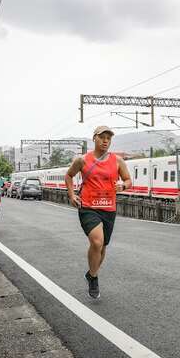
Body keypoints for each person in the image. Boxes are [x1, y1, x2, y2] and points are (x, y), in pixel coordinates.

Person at [65, 126, 132, 299]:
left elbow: (128, 180)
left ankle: (91, 274)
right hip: (88, 207)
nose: (105, 141)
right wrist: (72, 194)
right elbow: (69, 175)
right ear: (94, 138)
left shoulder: (118, 161)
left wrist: (123, 185)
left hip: (109, 208)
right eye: (102, 137)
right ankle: (94, 279)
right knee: (97, 242)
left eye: (108, 138)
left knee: (102, 247)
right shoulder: (82, 160)